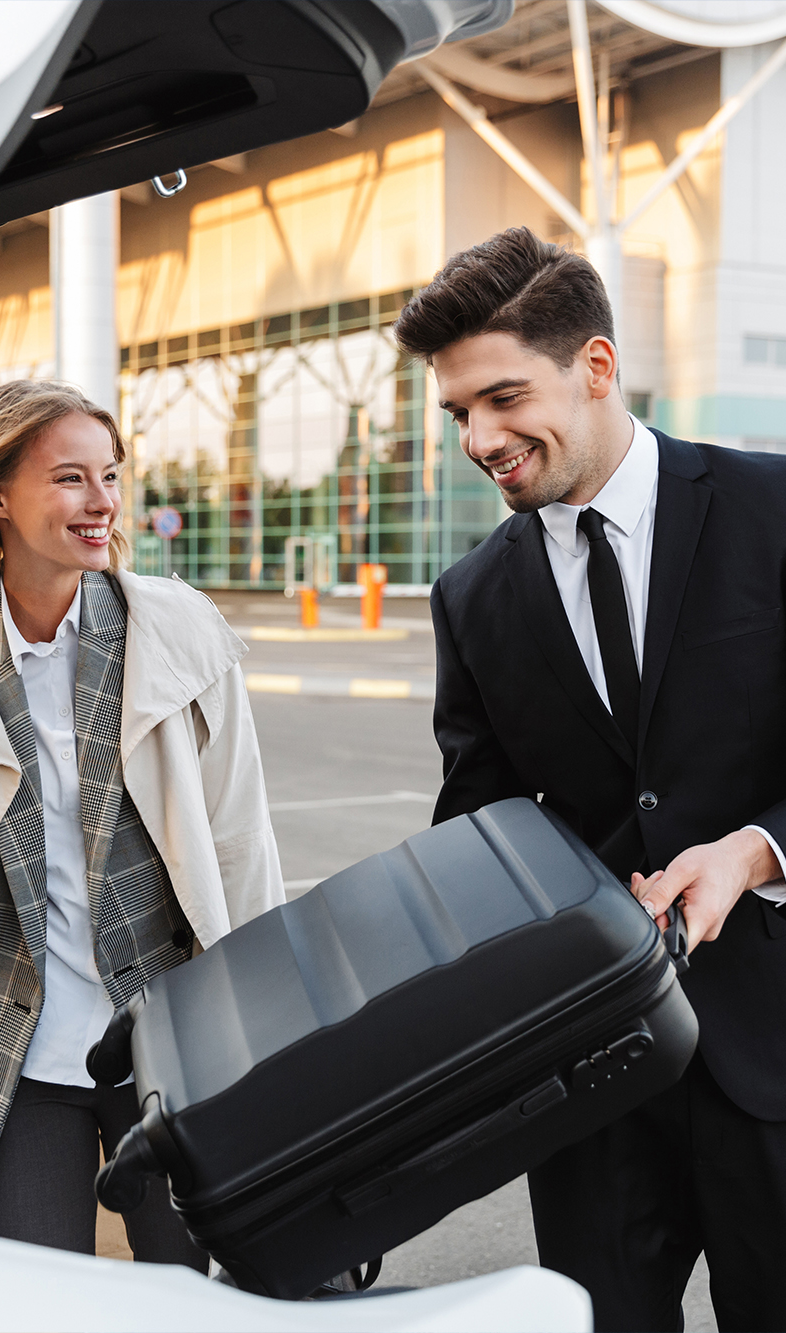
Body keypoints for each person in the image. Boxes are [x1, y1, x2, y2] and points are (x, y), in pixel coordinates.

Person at [392, 228, 786, 1333]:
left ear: (597, 366)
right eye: (458, 412)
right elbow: (480, 829)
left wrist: (752, 852)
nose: (479, 439)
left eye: (503, 397)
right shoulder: (470, 596)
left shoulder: (771, 509)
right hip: (591, 1082)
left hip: (773, 1050)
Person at [0, 379, 284, 1260]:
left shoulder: (180, 633)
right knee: (38, 1298)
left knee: (191, 1292)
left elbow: (241, 843)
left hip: (172, 1034)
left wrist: (270, 1029)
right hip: (16, 1050)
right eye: (71, 478)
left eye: (109, 475)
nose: (102, 500)